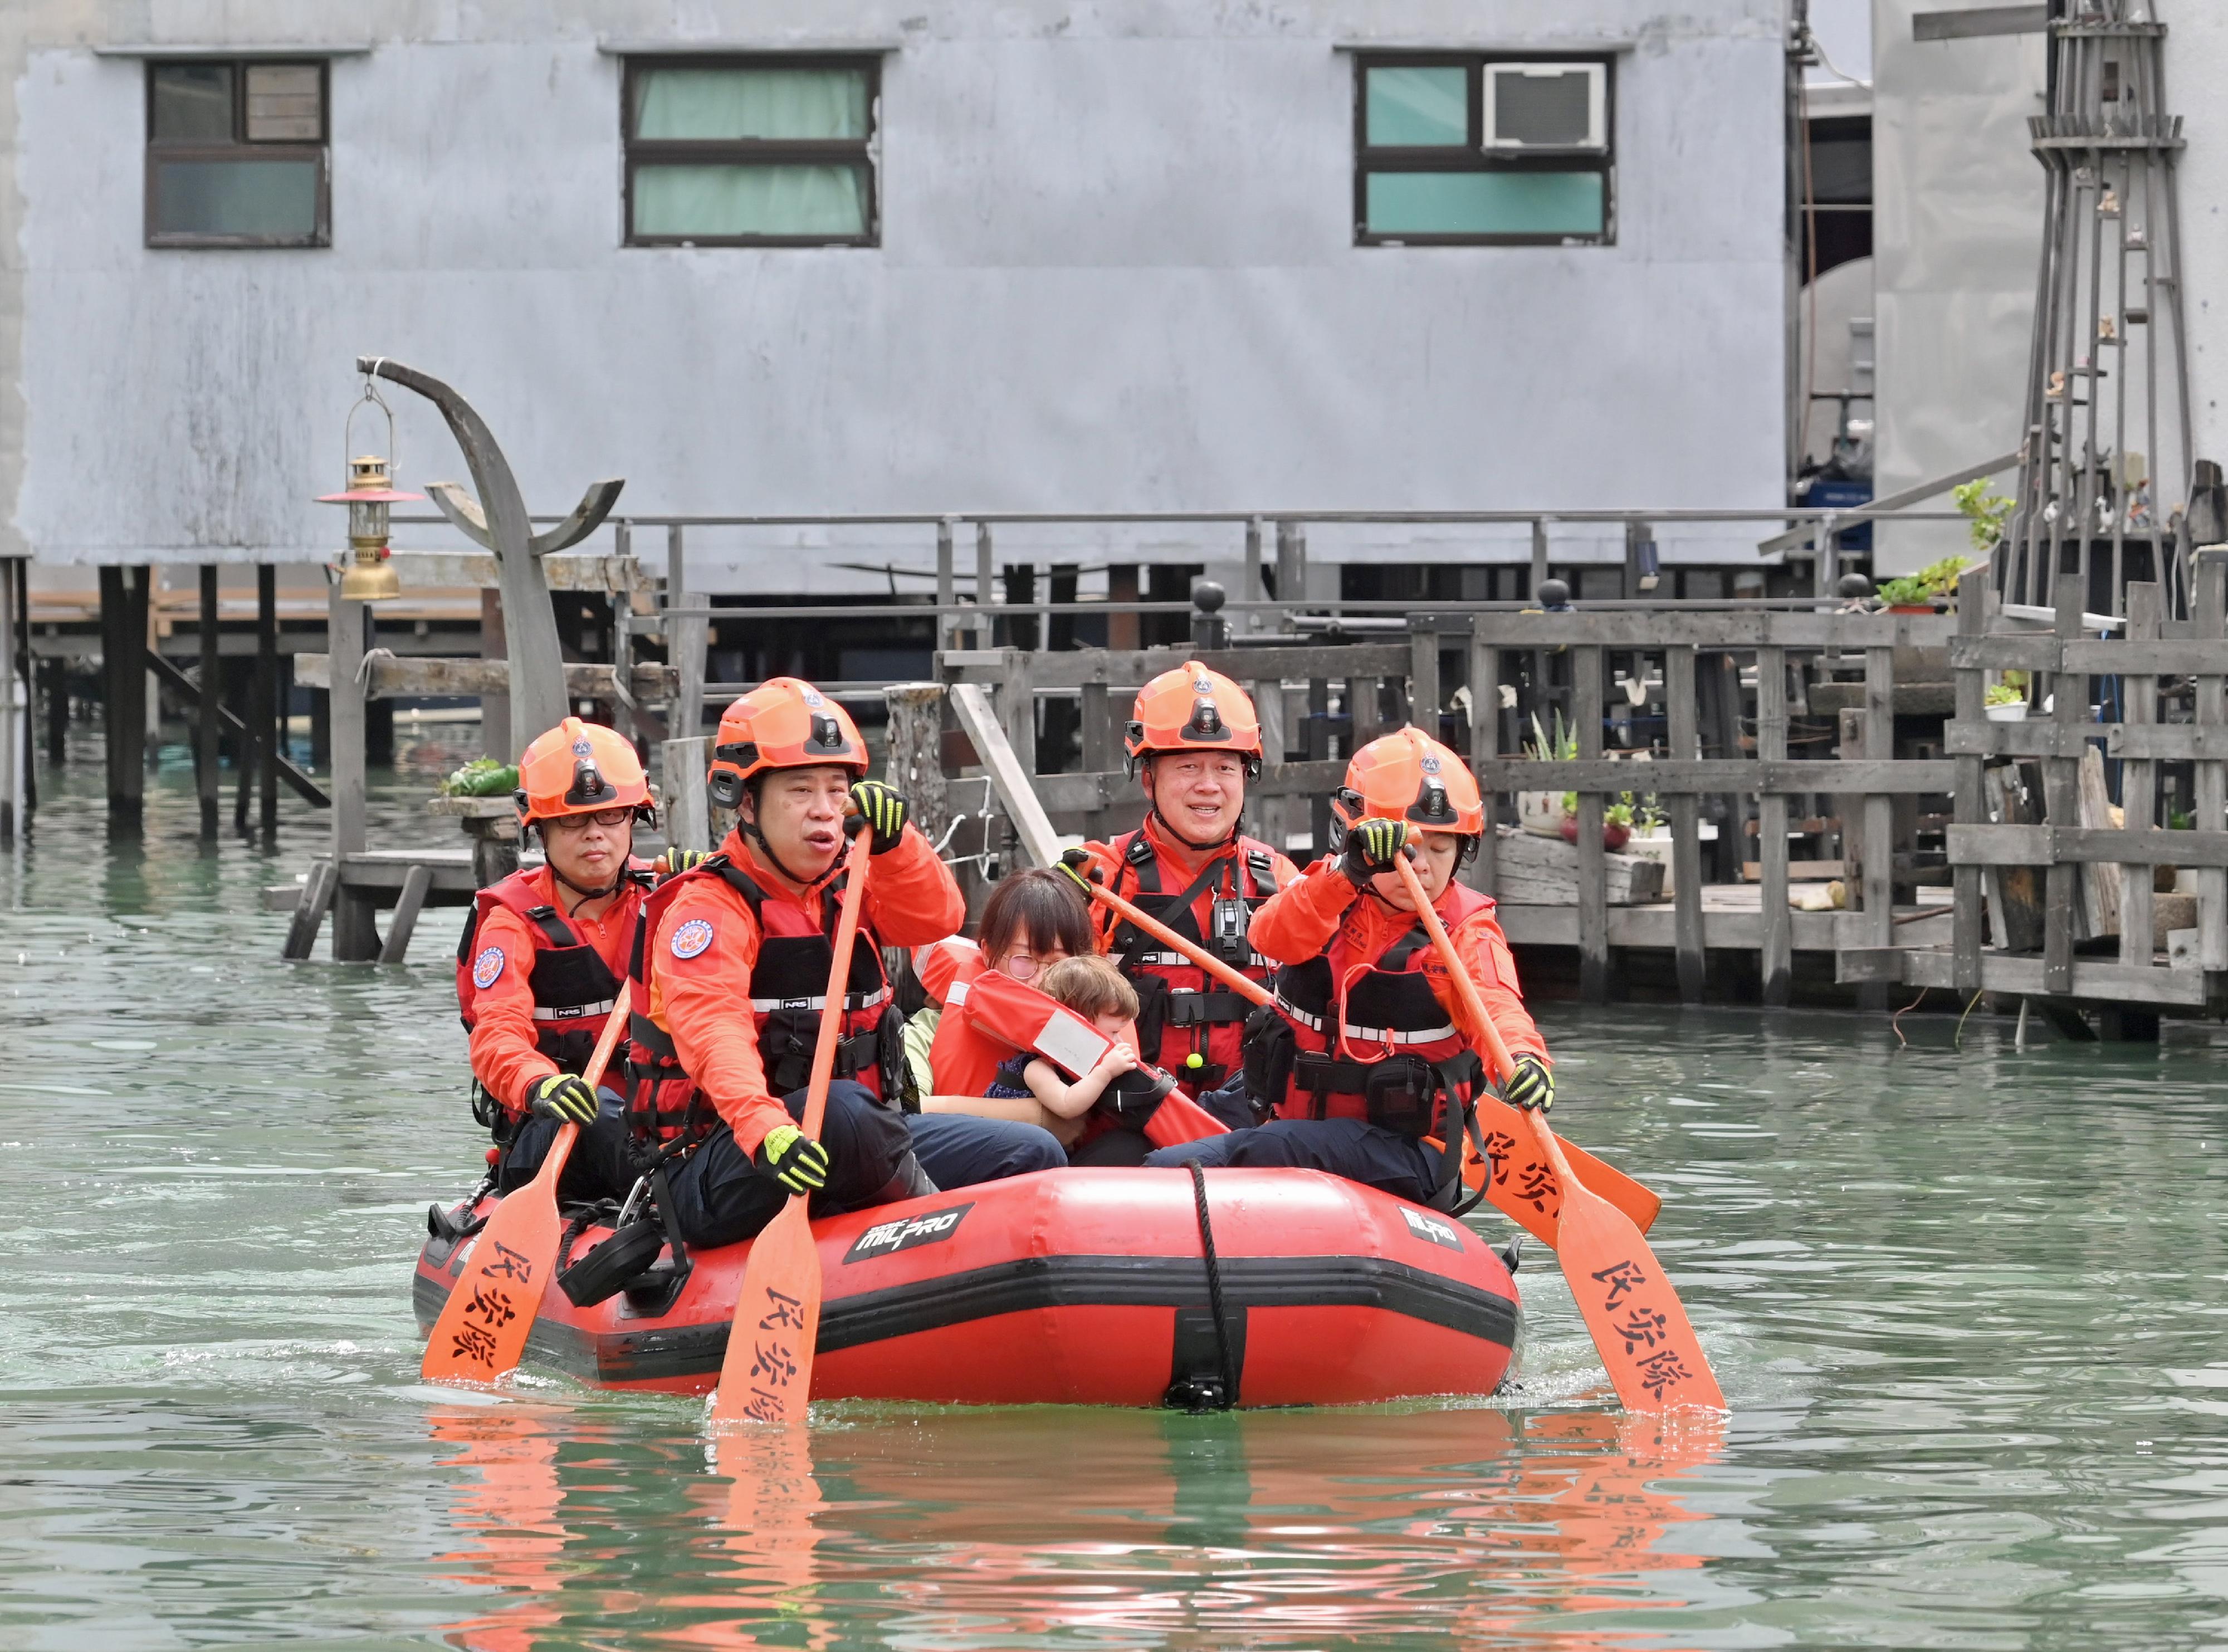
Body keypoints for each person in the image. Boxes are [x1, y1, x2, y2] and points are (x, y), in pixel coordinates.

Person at [626, 679, 1062, 1250]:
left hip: (860, 1140)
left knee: (1035, 1151)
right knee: (841, 1108)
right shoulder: (707, 910)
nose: (825, 811)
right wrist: (766, 1129)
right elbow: (712, 1032)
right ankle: (931, 1232)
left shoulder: (852, 884)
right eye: (801, 790)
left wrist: (895, 844)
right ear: (747, 801)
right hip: (733, 1154)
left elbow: (937, 917)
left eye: (838, 791)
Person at [1142, 727, 1553, 1210]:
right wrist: (1347, 873)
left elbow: (1498, 1006)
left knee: (1200, 1164)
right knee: (1165, 1147)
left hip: (1407, 1153)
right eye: (1409, 849)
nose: (1421, 867)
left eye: (1442, 849)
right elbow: (1270, 936)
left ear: (1465, 852)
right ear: (1358, 838)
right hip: (1301, 1124)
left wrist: (1525, 1060)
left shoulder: (1467, 931)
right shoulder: (1328, 892)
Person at [1067, 661, 1301, 1123]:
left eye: (1225, 768)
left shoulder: (1280, 880)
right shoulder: (1097, 877)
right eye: (1188, 766)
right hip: (1130, 1117)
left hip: (1250, 1122)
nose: (1208, 785)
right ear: (1149, 778)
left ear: (1246, 776)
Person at [455, 717, 657, 1205]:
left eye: (611, 816)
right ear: (539, 828)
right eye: (572, 819)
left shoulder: (674, 898)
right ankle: (667, 1196)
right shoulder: (512, 923)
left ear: (634, 818)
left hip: (657, 1122)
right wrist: (539, 1083)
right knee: (600, 1114)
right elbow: (497, 1034)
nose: (595, 835)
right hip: (554, 1133)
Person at [910, 868, 1095, 1099]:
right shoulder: (923, 1034)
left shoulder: (1107, 1028)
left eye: (1058, 964)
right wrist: (1039, 1117)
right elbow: (909, 1115)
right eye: (1025, 960)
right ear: (988, 953)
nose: (1040, 982)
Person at [980, 955, 1142, 1150]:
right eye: (1114, 1033)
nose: (1119, 1042)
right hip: (1013, 1156)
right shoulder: (1036, 1067)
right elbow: (1067, 1105)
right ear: (1077, 1025)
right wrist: (1105, 1072)